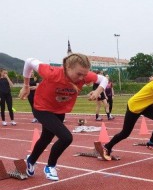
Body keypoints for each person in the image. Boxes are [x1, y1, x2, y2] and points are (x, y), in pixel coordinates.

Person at [19, 53, 108, 181]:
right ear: (68, 67)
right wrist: (26, 86)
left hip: (59, 110)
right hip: (42, 108)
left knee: (45, 138)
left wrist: (98, 91)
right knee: (66, 138)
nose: (82, 78)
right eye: (79, 74)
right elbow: (28, 61)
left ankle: (31, 160)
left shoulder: (84, 76)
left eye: (84, 74)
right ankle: (50, 166)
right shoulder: (52, 73)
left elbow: (103, 79)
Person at [96, 67, 153, 160]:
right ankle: (107, 147)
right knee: (125, 133)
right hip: (135, 106)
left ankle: (151, 143)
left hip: (146, 106)